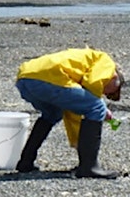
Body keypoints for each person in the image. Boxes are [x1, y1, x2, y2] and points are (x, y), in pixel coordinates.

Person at [14, 47, 124, 179]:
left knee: (52, 114)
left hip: (25, 78)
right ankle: (89, 167)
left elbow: (73, 110)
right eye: (112, 91)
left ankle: (25, 162)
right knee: (97, 106)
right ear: (115, 76)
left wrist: (77, 141)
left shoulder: (84, 63)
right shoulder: (106, 62)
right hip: (48, 78)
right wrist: (99, 106)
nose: (106, 93)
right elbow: (92, 82)